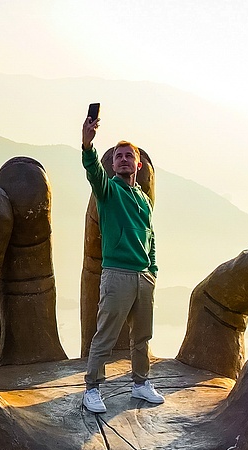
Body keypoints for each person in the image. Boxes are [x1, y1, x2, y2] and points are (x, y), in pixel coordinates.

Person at [80, 114, 165, 413]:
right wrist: (88, 144)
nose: (125, 160)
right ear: (113, 165)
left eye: (130, 156)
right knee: (106, 332)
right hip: (117, 273)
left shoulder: (143, 199)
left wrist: (152, 271)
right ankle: (92, 387)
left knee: (142, 336)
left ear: (138, 165)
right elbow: (93, 172)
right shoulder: (109, 191)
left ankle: (141, 383)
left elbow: (150, 237)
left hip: (143, 276)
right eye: (119, 157)